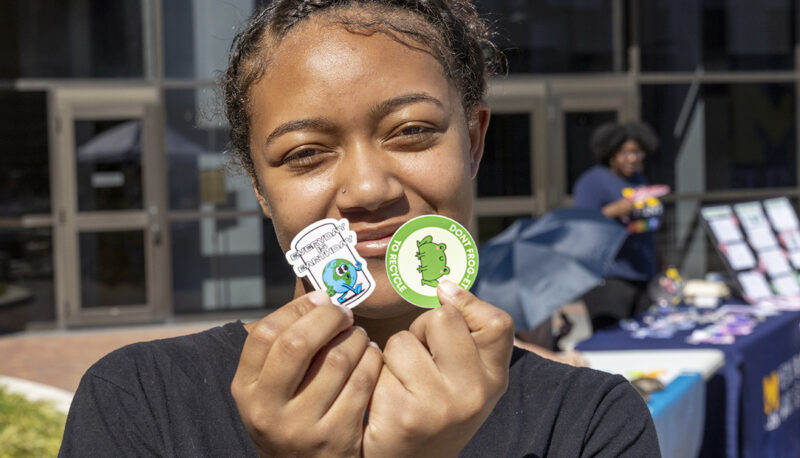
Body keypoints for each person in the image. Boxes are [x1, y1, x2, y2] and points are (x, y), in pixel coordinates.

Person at [59, 2, 659, 456]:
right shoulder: (137, 400)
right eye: (304, 153)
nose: (370, 189)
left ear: (473, 142)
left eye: (412, 131)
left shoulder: (589, 422)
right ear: (260, 188)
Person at [573, 121, 664, 330]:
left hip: (644, 275)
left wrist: (660, 263)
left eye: (637, 152)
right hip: (609, 278)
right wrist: (610, 211)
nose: (632, 158)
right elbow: (580, 225)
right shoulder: (593, 181)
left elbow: (647, 229)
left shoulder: (639, 179)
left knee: (646, 338)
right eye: (625, 152)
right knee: (611, 341)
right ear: (610, 153)